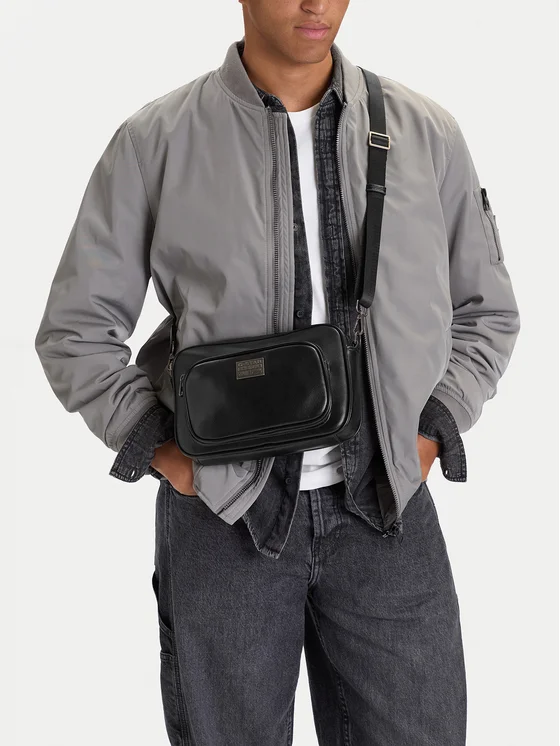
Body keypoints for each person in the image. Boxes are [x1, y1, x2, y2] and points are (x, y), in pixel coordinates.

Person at [34, 1, 521, 744]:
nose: (316, 3)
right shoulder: (155, 141)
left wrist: (431, 430)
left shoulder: (426, 132)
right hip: (225, 516)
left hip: (387, 509)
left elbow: (486, 311)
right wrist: (164, 451)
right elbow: (75, 330)